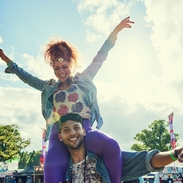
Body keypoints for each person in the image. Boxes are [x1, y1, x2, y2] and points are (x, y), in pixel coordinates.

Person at [0, 17, 134, 183]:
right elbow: (27, 77)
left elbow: (100, 56)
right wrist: (6, 59)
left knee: (112, 145)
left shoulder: (84, 79)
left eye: (64, 67)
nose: (61, 71)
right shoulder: (49, 87)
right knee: (50, 163)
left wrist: (115, 32)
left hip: (83, 129)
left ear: (71, 64)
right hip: (59, 133)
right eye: (56, 68)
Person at [58, 113, 183, 183]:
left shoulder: (105, 160)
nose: (73, 133)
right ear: (60, 136)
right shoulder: (59, 169)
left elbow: (146, 161)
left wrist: (175, 153)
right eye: (66, 130)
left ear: (84, 131)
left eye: (76, 128)